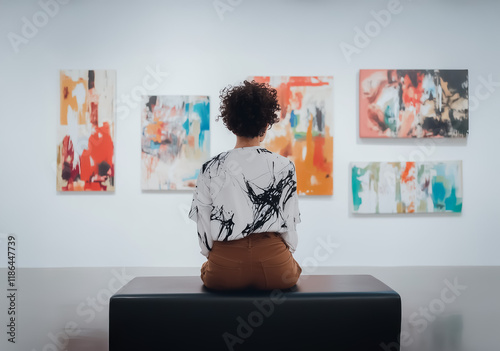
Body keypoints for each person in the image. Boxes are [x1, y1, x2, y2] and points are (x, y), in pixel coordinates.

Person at [188, 80, 302, 290]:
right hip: (275, 265)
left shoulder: (210, 167)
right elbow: (289, 224)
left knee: (208, 270)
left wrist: (215, 258)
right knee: (292, 270)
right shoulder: (285, 166)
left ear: (232, 125)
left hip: (225, 266)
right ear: (266, 125)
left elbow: (203, 227)